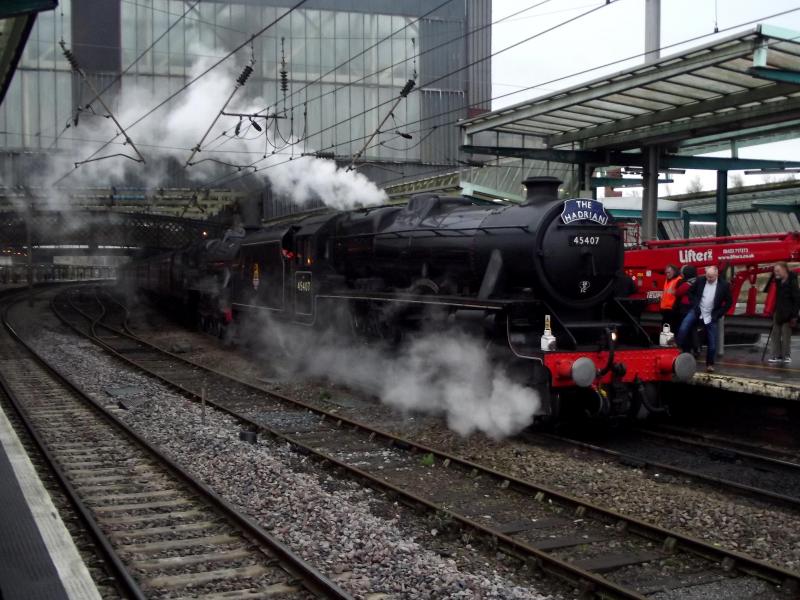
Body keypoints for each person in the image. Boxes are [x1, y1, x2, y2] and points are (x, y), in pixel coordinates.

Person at [676, 265, 732, 372]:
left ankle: (710, 364)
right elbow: (690, 292)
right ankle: (677, 347)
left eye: (711, 277)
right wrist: (694, 304)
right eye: (707, 276)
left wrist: (719, 313)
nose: (709, 279)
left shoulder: (724, 285)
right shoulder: (700, 280)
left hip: (711, 314)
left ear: (716, 275)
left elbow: (729, 302)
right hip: (698, 310)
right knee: (684, 327)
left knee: (712, 342)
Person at [767, 261, 800, 364]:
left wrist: (794, 316)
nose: (776, 273)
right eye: (775, 271)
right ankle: (776, 355)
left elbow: (797, 299)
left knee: (786, 335)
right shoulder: (778, 280)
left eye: (778, 271)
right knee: (775, 333)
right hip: (779, 311)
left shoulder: (792, 281)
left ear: (784, 269)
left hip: (789, 312)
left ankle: (786, 355)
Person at [675, 265, 699, 355]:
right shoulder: (699, 282)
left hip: (686, 308)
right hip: (697, 308)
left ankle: (681, 346)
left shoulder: (687, 284)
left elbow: (678, 293)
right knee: (693, 329)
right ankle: (696, 348)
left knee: (684, 328)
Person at [660, 264, 682, 332]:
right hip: (665, 309)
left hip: (672, 310)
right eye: (666, 272)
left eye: (669, 272)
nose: (667, 274)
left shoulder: (679, 280)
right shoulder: (667, 280)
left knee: (671, 330)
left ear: (674, 271)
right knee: (665, 329)